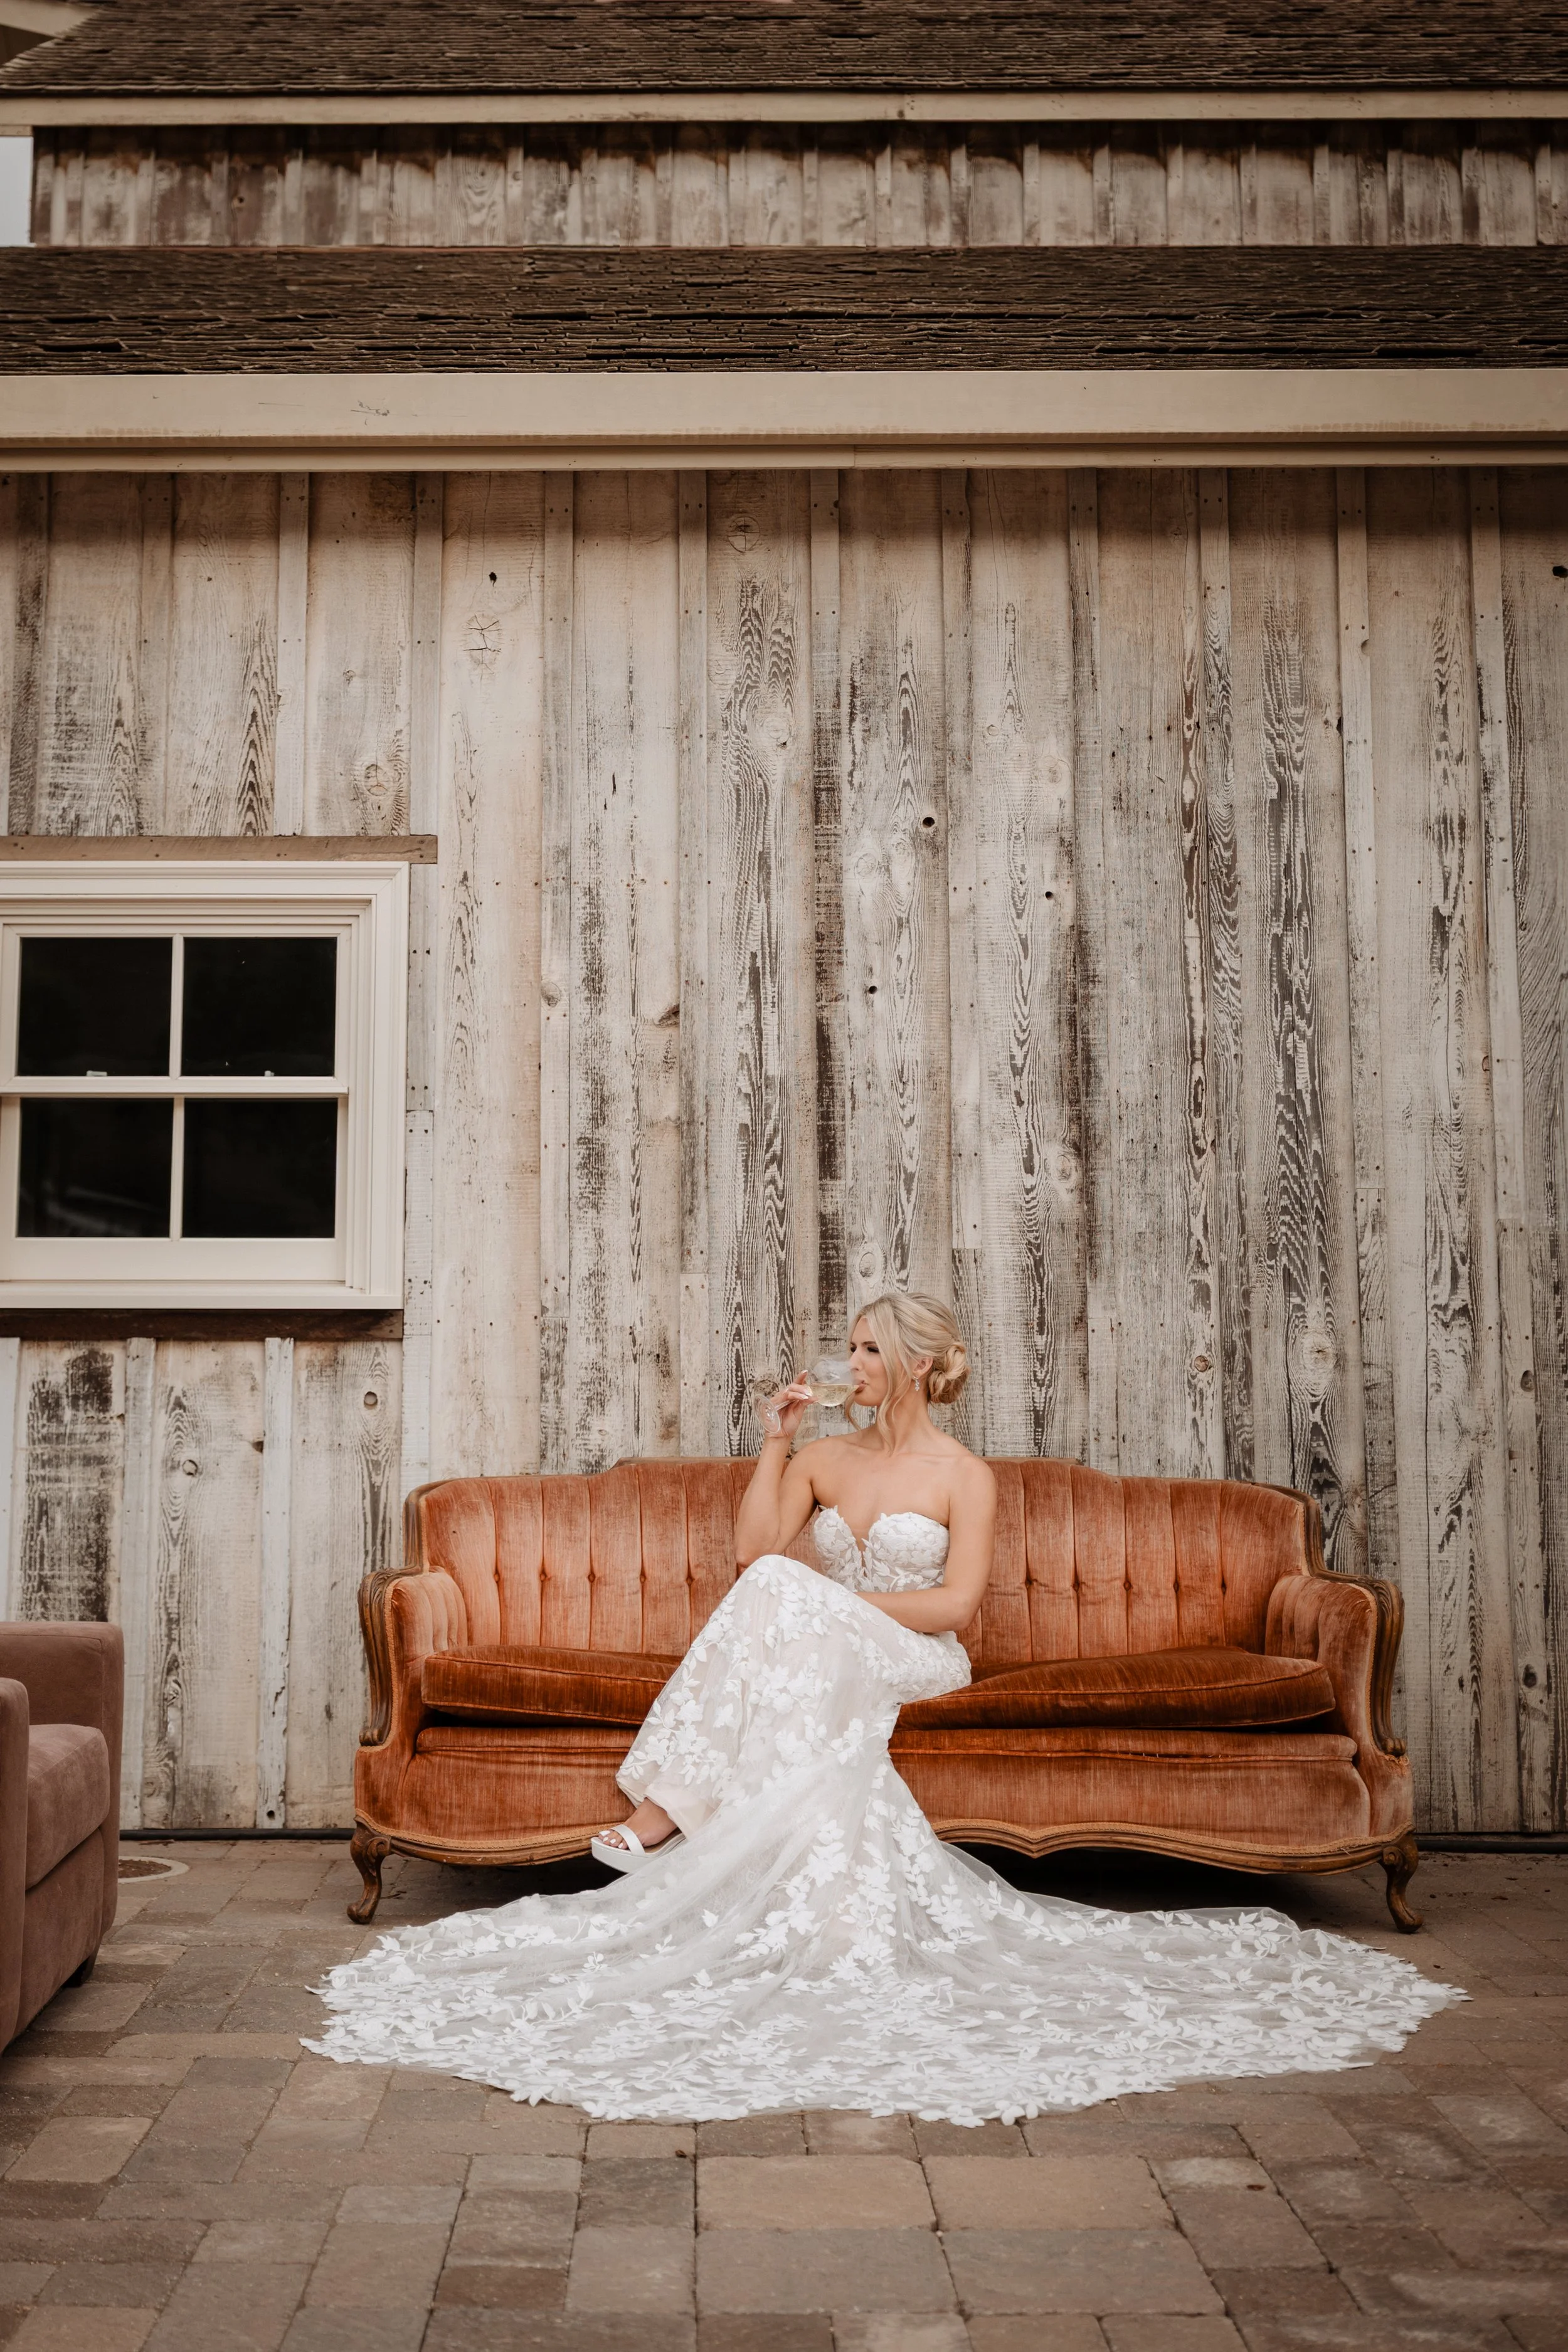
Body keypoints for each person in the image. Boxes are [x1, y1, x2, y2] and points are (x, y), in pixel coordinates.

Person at [309, 1291, 1458, 2123]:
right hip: (822, 1641)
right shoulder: (828, 1453)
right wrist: (776, 1443)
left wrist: (846, 1616)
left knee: (795, 1615)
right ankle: (753, 1858)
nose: (848, 1360)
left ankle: (672, 1810)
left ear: (909, 1364)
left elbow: (956, 1602)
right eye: (850, 1346)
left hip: (919, 1656)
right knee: (777, 1595)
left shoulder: (964, 1475)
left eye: (865, 1347)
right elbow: (759, 1552)